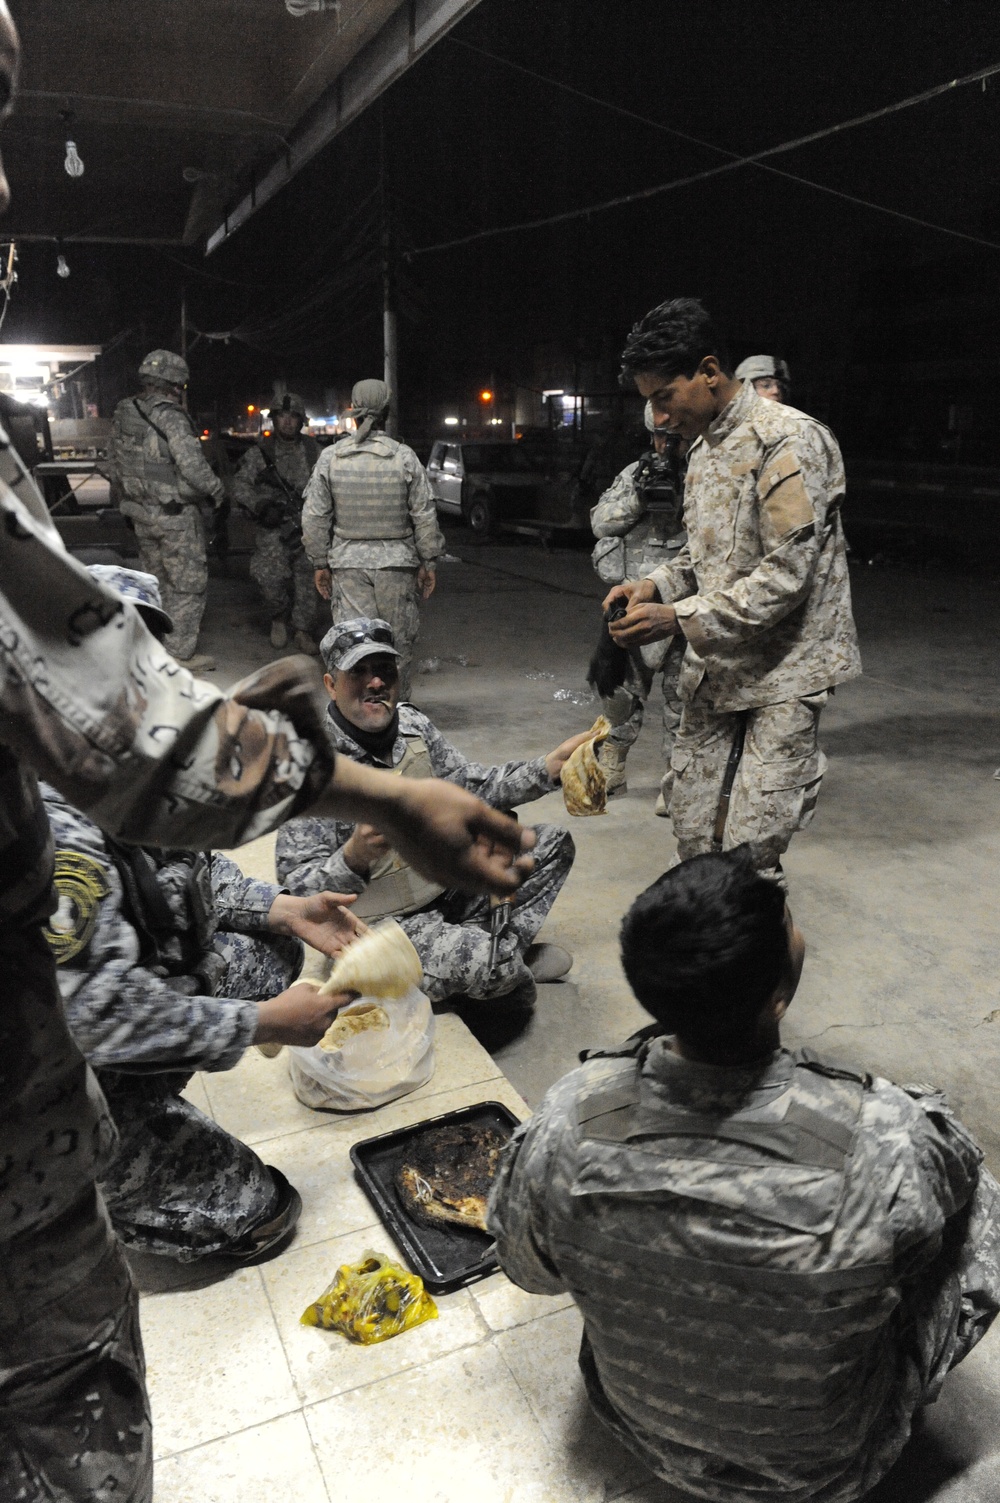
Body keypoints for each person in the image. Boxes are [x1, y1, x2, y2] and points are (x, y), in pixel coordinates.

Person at [0, 20, 529, 1480]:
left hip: (206, 941)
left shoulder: (398, 714)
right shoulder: (94, 806)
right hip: (86, 1047)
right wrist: (272, 997)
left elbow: (259, 843)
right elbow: (142, 835)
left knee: (456, 960)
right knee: (235, 1208)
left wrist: (291, 899)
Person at [489, 849, 1000, 1503]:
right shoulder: (885, 1132)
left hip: (646, 1435)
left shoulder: (569, 1114)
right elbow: (945, 1199)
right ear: (780, 993)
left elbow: (528, 1270)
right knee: (976, 1194)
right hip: (829, 1469)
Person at [41, 567, 364, 1264]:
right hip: (47, 1088)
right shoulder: (52, 817)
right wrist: (263, 1025)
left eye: (152, 662)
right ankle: (93, 1171)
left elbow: (194, 868)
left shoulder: (127, 766)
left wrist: (290, 907)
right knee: (258, 1211)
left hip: (104, 1028)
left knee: (272, 950)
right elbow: (100, 1016)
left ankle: (146, 1099)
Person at [607, 298, 860, 881]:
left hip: (783, 674)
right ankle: (704, 958)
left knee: (751, 851)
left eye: (663, 396)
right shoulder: (704, 450)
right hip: (717, 668)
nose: (659, 417)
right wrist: (653, 583)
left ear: (710, 371)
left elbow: (787, 573)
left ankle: (755, 965)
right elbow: (705, 555)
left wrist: (677, 618)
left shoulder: (787, 441)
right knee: (693, 831)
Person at [276, 617, 583, 1010]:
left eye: (385, 669)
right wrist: (354, 857)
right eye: (359, 672)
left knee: (553, 845)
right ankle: (486, 959)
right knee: (495, 969)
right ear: (331, 685)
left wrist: (548, 768)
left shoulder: (413, 725)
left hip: (446, 888)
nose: (376, 683)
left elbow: (473, 787)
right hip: (382, 926)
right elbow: (298, 894)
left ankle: (468, 951)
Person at [302, 378, 444, 697]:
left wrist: (319, 562)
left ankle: (358, 719)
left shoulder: (332, 457)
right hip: (397, 567)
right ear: (387, 413)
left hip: (348, 568)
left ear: (353, 412)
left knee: (355, 647)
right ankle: (398, 715)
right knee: (397, 647)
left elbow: (314, 517)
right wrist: (429, 562)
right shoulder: (404, 456)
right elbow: (424, 514)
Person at [590, 399, 686, 812]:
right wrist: (639, 495)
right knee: (621, 693)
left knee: (684, 700)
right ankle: (611, 768)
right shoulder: (635, 473)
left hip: (685, 603)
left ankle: (676, 783)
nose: (664, 447)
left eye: (672, 439)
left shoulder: (706, 472)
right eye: (659, 438)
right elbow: (601, 522)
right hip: (630, 599)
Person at [109, 348, 226, 672]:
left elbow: (114, 462)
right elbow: (193, 469)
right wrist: (218, 492)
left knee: (152, 580)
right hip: (173, 516)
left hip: (139, 513)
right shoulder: (170, 416)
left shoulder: (124, 411)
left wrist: (124, 500)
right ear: (175, 384)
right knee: (187, 584)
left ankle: (151, 648)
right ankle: (177, 656)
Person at [231, 392, 321, 654]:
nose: (288, 422)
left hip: (307, 526)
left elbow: (330, 484)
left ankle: (303, 630)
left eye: (293, 417)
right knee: (268, 577)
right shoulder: (261, 453)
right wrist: (260, 505)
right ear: (274, 419)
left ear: (300, 421)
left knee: (308, 581)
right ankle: (279, 617)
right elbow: (240, 485)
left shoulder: (315, 452)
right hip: (273, 528)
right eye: (282, 416)